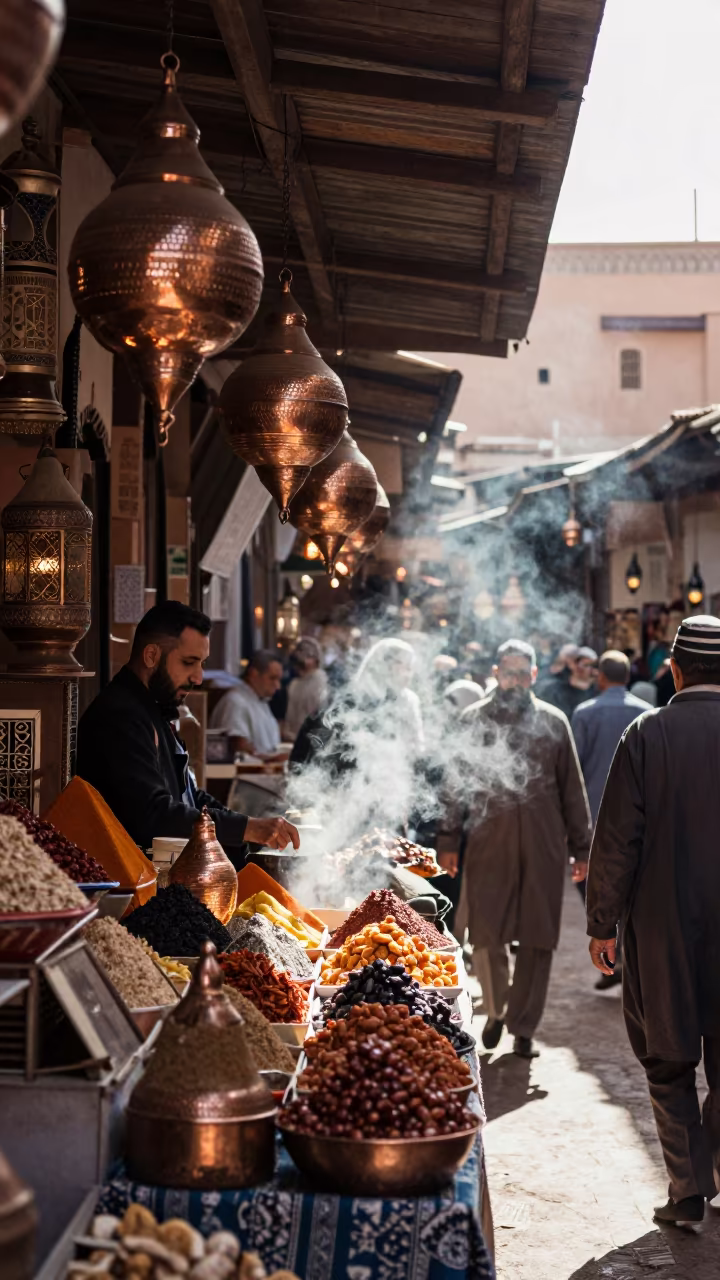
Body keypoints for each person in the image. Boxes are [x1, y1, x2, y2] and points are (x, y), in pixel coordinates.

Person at [586, 615, 720, 1225]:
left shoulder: (646, 735)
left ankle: (688, 1188)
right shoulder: (640, 732)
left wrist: (601, 924)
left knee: (668, 1061)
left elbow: (616, 841)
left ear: (673, 669)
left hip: (662, 927)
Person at [438, 639, 591, 1058]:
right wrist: (448, 840)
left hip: (543, 846)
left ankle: (524, 1027)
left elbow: (572, 791)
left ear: (535, 676)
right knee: (486, 934)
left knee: (538, 938)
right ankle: (498, 1010)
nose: (516, 681)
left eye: (524, 673)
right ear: (495, 672)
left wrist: (583, 848)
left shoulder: (555, 722)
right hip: (489, 842)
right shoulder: (473, 720)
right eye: (509, 672)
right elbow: (453, 788)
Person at [76, 603, 298, 866]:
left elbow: (190, 798)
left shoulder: (154, 709)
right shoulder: (120, 716)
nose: (198, 676)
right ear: (151, 656)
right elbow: (154, 815)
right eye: (188, 662)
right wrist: (246, 828)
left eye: (202, 663)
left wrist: (249, 826)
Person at [572, 651, 648, 824]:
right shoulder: (646, 713)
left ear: (601, 677)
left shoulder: (584, 713)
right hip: (635, 808)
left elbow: (575, 767)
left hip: (593, 805)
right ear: (627, 677)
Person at [209, 650, 284, 758]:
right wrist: (272, 760)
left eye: (279, 679)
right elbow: (238, 745)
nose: (277, 686)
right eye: (272, 678)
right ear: (253, 674)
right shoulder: (235, 702)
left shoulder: (260, 700)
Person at [283, 637, 328, 742]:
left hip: (312, 740)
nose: (303, 661)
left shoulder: (321, 682)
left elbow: (321, 714)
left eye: (308, 656)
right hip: (292, 738)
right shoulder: (293, 685)